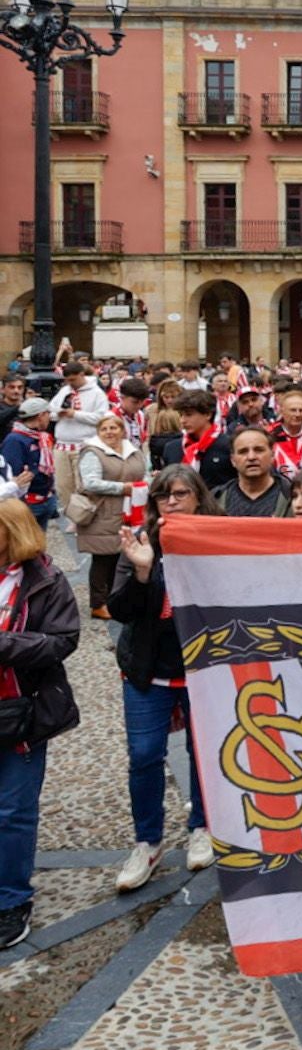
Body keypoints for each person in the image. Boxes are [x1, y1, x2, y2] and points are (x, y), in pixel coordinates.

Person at [107, 465, 223, 891]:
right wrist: (141, 572)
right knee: (144, 755)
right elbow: (119, 610)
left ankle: (202, 825)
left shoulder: (218, 537)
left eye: (180, 494)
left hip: (202, 667)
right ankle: (147, 840)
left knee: (204, 751)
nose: (171, 502)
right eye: (162, 496)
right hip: (148, 669)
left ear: (198, 497)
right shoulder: (140, 542)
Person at [0, 497, 81, 948]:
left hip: (20, 712)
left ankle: (12, 900)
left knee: (12, 812)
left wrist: (3, 644)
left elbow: (61, 641)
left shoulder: (46, 580)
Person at [75, 411, 147, 617]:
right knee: (103, 560)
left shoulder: (133, 450)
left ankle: (117, 598)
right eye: (104, 429)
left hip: (131, 511)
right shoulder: (93, 452)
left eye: (113, 428)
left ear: (122, 430)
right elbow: (91, 483)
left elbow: (146, 473)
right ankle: (98, 603)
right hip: (103, 512)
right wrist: (123, 488)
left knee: (123, 558)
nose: (109, 432)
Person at [49, 361, 109, 520]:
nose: (70, 384)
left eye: (73, 380)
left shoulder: (97, 393)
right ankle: (71, 516)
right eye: (67, 380)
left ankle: (85, 516)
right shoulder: (64, 391)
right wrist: (59, 413)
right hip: (62, 444)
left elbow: (101, 418)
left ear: (82, 375)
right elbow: (50, 411)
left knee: (82, 484)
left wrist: (75, 414)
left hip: (84, 444)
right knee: (63, 485)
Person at [215, 425, 293, 518]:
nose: (251, 457)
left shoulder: (292, 497)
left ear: (272, 455)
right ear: (233, 460)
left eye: (259, 450)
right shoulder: (216, 499)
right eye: (243, 452)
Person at [1, 398, 56, 529]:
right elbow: (13, 475)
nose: (50, 418)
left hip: (46, 498)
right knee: (28, 546)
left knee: (40, 543)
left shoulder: (40, 436)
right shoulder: (15, 440)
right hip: (29, 502)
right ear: (41, 415)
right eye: (48, 413)